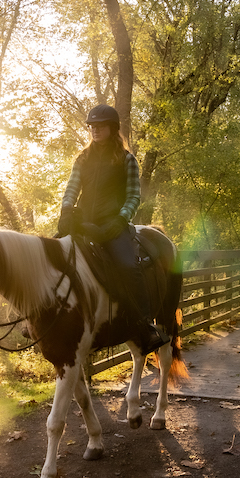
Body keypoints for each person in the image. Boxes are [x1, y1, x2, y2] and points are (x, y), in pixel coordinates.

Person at [55, 104, 169, 354]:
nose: (94, 130)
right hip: (83, 224)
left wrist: (120, 220)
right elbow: (71, 189)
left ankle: (145, 325)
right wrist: (66, 210)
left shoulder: (127, 160)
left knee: (129, 267)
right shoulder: (82, 158)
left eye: (100, 126)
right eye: (91, 126)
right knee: (50, 257)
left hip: (113, 226)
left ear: (113, 128)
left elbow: (133, 197)